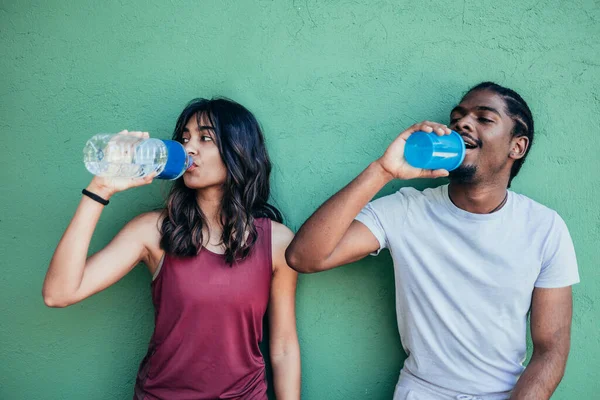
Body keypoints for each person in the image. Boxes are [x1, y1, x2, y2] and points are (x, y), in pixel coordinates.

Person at [285, 82, 578, 399]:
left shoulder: (545, 228)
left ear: (516, 147)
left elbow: (550, 350)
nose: (463, 123)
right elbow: (304, 257)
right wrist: (383, 170)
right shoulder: (407, 209)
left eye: (484, 118)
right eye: (458, 118)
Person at [43, 98, 301, 400]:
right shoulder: (152, 231)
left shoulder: (276, 242)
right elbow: (58, 293)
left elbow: (283, 346)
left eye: (205, 138)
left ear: (239, 151)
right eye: (185, 137)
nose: (189, 148)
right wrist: (100, 189)